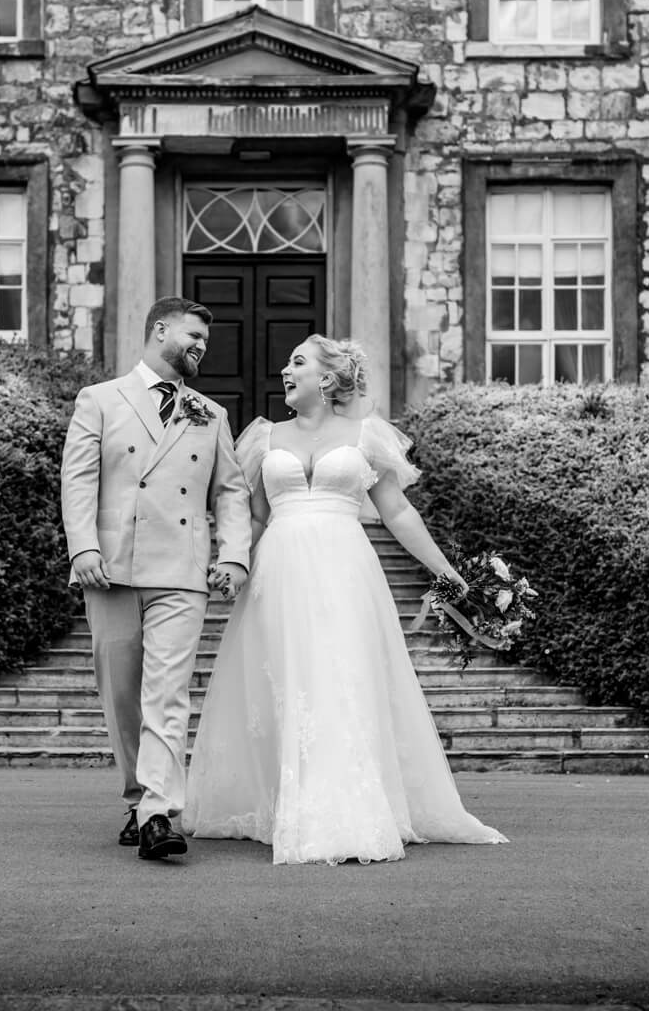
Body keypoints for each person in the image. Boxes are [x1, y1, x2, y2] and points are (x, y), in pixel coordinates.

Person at [184, 334, 507, 865]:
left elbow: (398, 513)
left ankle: (345, 809)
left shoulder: (365, 436)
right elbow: (255, 515)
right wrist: (231, 564)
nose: (285, 370)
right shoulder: (264, 437)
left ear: (327, 379)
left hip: (344, 569)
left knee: (341, 677)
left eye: (297, 362)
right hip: (279, 570)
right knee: (286, 682)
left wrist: (449, 574)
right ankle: (283, 801)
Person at [60, 297, 252, 861]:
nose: (200, 347)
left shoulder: (210, 414)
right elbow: (78, 481)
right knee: (121, 697)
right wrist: (83, 548)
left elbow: (231, 492)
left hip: (182, 572)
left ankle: (157, 814)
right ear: (159, 330)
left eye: (206, 342)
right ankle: (137, 795)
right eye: (193, 336)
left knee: (167, 694)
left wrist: (234, 555)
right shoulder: (99, 399)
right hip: (110, 568)